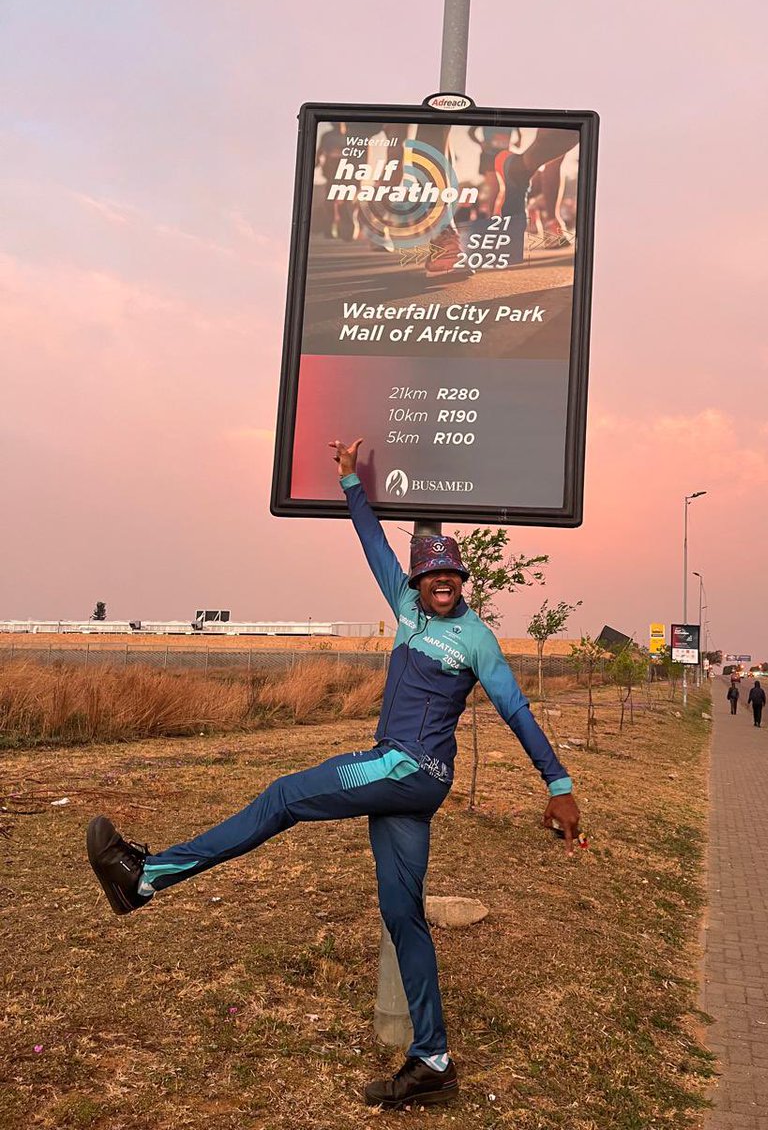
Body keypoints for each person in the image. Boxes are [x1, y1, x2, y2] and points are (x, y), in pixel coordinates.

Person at [86, 436, 580, 1110]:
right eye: (431, 574)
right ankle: (433, 1061)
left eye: (452, 576)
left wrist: (558, 784)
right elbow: (375, 547)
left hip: (408, 766)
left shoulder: (477, 639)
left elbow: (516, 710)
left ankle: (146, 877)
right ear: (419, 581)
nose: (442, 582)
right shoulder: (405, 606)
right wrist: (351, 482)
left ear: (464, 582)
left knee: (284, 796)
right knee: (402, 914)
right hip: (410, 790)